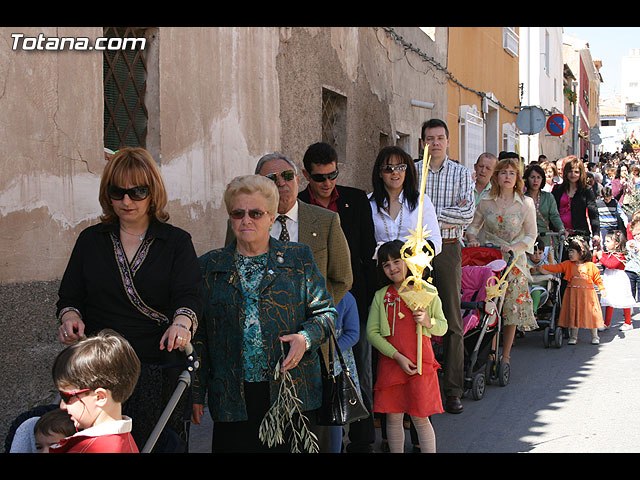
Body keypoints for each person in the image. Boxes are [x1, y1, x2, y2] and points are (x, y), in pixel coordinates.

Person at [56, 147, 203, 452]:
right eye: (117, 192)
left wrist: (181, 323)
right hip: (100, 371)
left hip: (157, 363)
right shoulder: (90, 240)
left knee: (159, 444)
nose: (126, 201)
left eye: (137, 192)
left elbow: (189, 295)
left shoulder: (175, 242)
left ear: (153, 192)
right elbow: (70, 297)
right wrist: (70, 318)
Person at [192, 175, 335, 453]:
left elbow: (326, 313)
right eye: (238, 213)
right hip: (233, 395)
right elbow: (201, 336)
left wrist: (305, 339)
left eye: (256, 213)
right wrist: (197, 393)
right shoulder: (210, 266)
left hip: (290, 391)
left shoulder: (298, 258)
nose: (246, 220)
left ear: (271, 218)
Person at [298, 141, 377, 452]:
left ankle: (362, 440)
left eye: (333, 175)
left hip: (349, 300)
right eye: (320, 177)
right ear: (306, 175)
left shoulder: (355, 200)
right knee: (316, 376)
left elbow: (367, 250)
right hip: (310, 303)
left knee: (357, 368)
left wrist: (364, 299)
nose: (327, 183)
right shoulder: (299, 203)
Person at [226, 153, 353, 306]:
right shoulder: (242, 223)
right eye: (271, 178)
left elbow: (343, 278)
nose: (281, 183)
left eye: (287, 176)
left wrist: (317, 312)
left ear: (298, 180)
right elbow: (230, 270)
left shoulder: (326, 221)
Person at [416, 118, 475, 414]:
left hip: (449, 250)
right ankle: (418, 386)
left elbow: (467, 212)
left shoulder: (461, 173)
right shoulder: (413, 171)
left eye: (440, 137)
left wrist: (427, 214)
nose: (435, 143)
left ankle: (453, 390)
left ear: (448, 141)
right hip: (415, 251)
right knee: (414, 316)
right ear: (422, 142)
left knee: (452, 319)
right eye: (429, 138)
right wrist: (442, 217)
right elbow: (407, 207)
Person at [366, 240, 447, 453]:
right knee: (393, 417)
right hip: (392, 364)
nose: (392, 267)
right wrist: (397, 357)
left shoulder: (427, 291)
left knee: (420, 418)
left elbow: (443, 327)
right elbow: (371, 333)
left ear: (408, 260)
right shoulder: (381, 296)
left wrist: (428, 322)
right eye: (386, 264)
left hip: (422, 363)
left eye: (396, 261)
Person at [466, 157, 538, 365]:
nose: (507, 177)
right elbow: (474, 226)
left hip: (514, 261)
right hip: (490, 258)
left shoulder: (526, 203)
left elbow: (531, 235)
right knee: (490, 306)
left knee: (511, 309)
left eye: (512, 173)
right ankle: (490, 351)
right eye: (503, 172)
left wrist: (513, 248)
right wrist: (471, 239)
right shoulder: (486, 200)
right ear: (496, 176)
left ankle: (505, 355)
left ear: (517, 178)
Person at [49, 329, 141, 453]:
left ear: (100, 397)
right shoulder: (124, 442)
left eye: (66, 397)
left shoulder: (93, 449)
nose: (62, 406)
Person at [370, 145, 441, 256]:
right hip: (379, 268)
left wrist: (413, 255)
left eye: (400, 167)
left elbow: (436, 242)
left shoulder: (421, 202)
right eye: (388, 168)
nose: (395, 172)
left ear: (406, 171)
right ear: (380, 172)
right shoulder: (369, 203)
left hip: (414, 268)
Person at [535, 237, 605, 345]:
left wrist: (602, 289)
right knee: (574, 314)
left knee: (591, 314)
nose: (570, 254)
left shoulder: (590, 266)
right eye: (569, 252)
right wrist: (542, 267)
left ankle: (595, 336)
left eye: (572, 251)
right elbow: (555, 267)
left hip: (588, 295)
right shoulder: (567, 264)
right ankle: (573, 337)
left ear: (582, 252)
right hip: (573, 294)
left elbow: (597, 279)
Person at [329, 291, 362, 453]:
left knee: (335, 414)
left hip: (336, 364)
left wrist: (330, 350)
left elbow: (353, 334)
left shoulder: (346, 298)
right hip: (310, 361)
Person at [551, 156, 600, 250]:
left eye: (576, 172)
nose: (573, 174)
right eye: (570, 171)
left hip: (580, 234)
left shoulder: (586, 190)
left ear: (581, 173)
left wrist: (596, 234)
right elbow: (552, 212)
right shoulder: (557, 189)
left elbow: (593, 214)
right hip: (559, 235)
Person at [595, 230, 636, 332]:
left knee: (623, 300)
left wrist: (601, 257)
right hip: (610, 279)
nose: (605, 243)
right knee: (609, 300)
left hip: (619, 279)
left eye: (608, 241)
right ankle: (606, 323)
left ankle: (628, 322)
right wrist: (598, 252)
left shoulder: (621, 255)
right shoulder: (609, 253)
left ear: (616, 243)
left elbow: (611, 265)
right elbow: (601, 260)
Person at [523, 164, 565, 247]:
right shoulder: (521, 198)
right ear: (527, 179)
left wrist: (561, 228)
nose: (535, 180)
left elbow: (554, 216)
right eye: (532, 177)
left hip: (545, 238)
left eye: (538, 177)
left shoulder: (548, 197)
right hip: (526, 239)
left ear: (542, 179)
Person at [527, 237, 552, 314]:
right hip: (527, 285)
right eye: (534, 253)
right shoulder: (526, 262)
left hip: (539, 285)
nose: (537, 256)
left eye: (540, 253)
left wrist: (542, 271)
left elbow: (550, 271)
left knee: (536, 292)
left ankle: (533, 312)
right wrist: (530, 271)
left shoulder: (544, 263)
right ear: (528, 253)